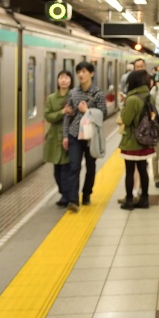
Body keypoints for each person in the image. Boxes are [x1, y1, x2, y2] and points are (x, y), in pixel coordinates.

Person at [61, 61, 106, 213]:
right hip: (75, 134)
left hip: (91, 136)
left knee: (91, 167)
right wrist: (65, 135)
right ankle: (73, 200)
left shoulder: (98, 94)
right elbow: (68, 115)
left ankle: (87, 193)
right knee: (74, 166)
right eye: (79, 71)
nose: (80, 74)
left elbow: (103, 115)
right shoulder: (73, 92)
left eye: (84, 71)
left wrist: (87, 111)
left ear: (91, 74)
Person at [118, 69, 154, 210]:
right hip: (145, 139)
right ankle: (144, 199)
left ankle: (129, 200)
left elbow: (126, 119)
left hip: (132, 140)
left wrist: (123, 107)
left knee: (129, 171)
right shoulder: (150, 97)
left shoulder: (132, 99)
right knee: (143, 169)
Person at [44, 69, 72, 205]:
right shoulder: (51, 98)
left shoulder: (73, 96)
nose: (64, 80)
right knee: (57, 170)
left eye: (67, 78)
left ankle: (66, 196)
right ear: (57, 80)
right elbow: (48, 116)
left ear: (71, 81)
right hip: (54, 136)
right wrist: (62, 112)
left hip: (69, 135)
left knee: (66, 168)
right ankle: (63, 192)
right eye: (61, 77)